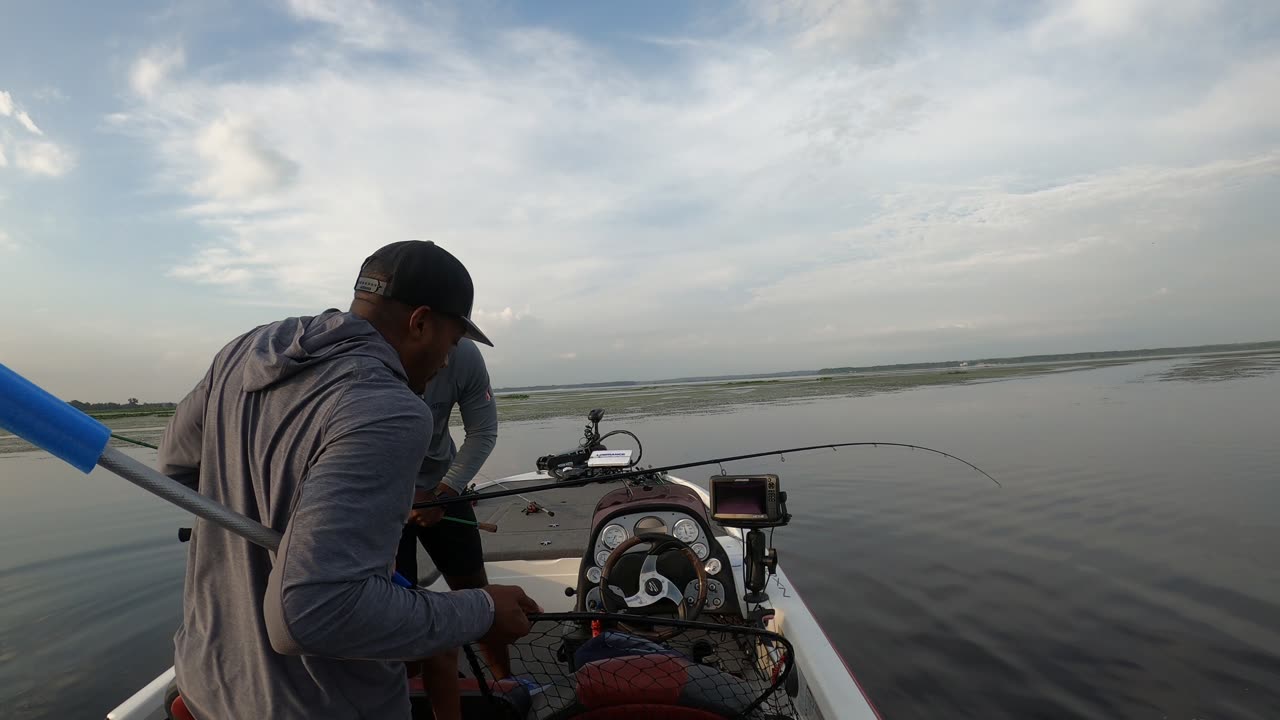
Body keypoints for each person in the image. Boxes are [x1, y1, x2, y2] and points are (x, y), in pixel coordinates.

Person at [157, 240, 539, 720]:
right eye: (453, 339)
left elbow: (175, 467)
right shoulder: (392, 409)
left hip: (209, 683)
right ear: (420, 322)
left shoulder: (244, 352)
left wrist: (297, 516)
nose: (448, 359)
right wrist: (481, 610)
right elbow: (312, 615)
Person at [395, 337, 509, 674]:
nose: (451, 352)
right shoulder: (362, 354)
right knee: (397, 607)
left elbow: (483, 431)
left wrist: (444, 494)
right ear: (420, 323)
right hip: (381, 498)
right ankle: (411, 692)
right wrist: (400, 494)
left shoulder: (465, 355)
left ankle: (508, 686)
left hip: (444, 485)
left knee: (478, 592)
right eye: (452, 331)